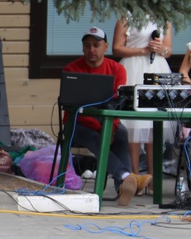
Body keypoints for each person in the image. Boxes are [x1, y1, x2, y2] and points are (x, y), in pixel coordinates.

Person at [64, 26, 151, 206]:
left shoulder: (117, 69)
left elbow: (117, 102)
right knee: (96, 137)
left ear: (105, 47)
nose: (91, 50)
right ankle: (126, 177)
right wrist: (102, 128)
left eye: (96, 45)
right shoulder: (71, 69)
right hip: (77, 123)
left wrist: (110, 127)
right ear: (82, 48)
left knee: (122, 134)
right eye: (87, 45)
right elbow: (72, 109)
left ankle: (123, 186)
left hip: (106, 121)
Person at [112, 15, 172, 191]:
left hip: (157, 68)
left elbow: (169, 51)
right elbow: (117, 48)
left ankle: (153, 179)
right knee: (134, 126)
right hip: (134, 67)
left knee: (154, 126)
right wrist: (143, 50)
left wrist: (161, 48)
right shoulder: (126, 16)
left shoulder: (165, 18)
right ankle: (135, 177)